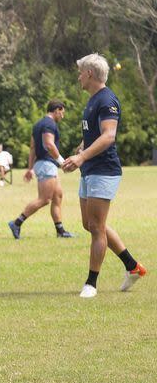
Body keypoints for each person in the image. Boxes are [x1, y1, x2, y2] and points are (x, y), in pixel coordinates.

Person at [61, 53, 147, 298]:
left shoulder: (107, 99)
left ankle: (91, 283)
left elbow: (109, 135)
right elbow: (95, 133)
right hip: (90, 169)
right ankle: (133, 266)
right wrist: (80, 150)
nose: (78, 76)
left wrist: (82, 157)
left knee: (97, 226)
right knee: (90, 224)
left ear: (89, 73)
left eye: (80, 72)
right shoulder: (93, 100)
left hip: (103, 170)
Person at [8, 100, 74, 239]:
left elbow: (32, 148)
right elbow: (49, 144)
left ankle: (60, 231)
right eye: (62, 112)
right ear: (56, 110)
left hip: (44, 164)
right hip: (46, 164)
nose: (63, 116)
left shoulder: (38, 124)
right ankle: (16, 223)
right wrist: (62, 162)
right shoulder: (49, 123)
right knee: (44, 199)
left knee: (58, 196)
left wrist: (30, 168)